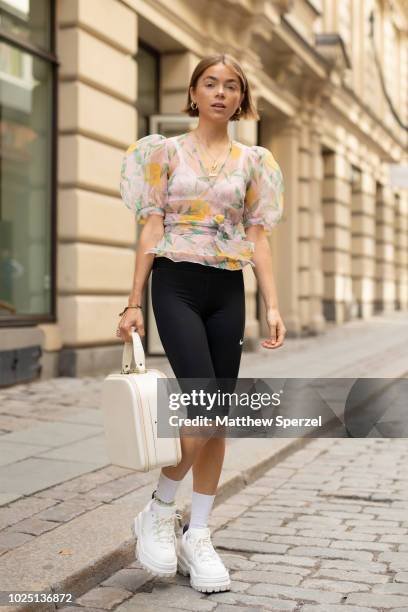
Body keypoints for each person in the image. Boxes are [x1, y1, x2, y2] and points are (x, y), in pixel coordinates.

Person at [117, 53, 286, 594]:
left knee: (219, 418)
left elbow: (258, 237)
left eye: (231, 85)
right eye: (209, 83)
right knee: (201, 405)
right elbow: (149, 230)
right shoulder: (162, 153)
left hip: (227, 289)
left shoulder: (254, 160)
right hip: (175, 282)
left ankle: (200, 532)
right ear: (193, 93)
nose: (220, 92)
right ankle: (160, 509)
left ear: (242, 98)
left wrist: (272, 305)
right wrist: (133, 301)